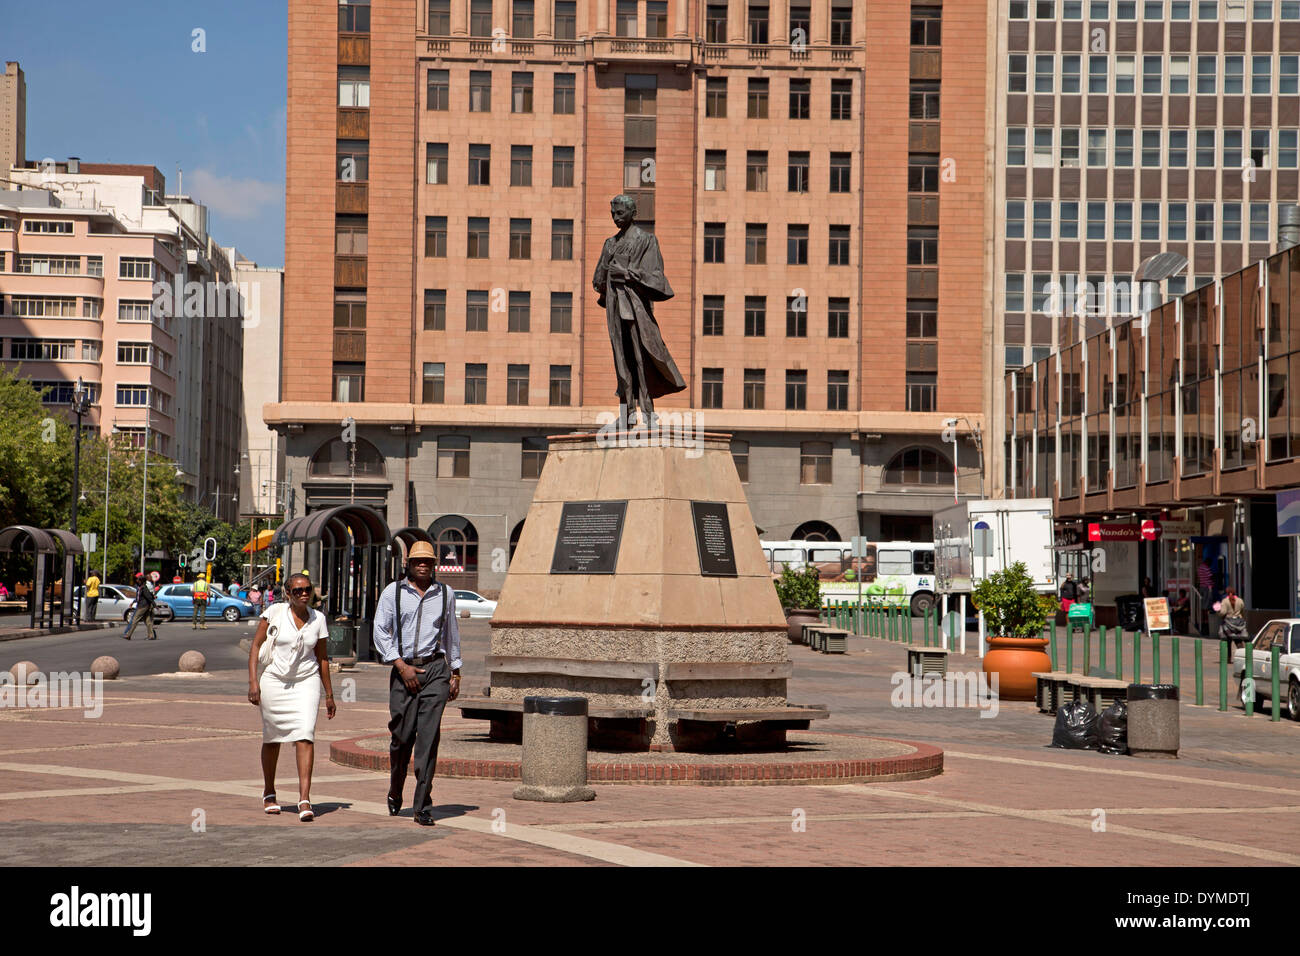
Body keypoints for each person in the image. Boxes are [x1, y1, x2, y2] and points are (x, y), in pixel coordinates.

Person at [372, 540, 461, 826]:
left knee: (428, 737)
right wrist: (400, 665)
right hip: (403, 670)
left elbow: (450, 633)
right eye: (417, 561)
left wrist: (455, 671)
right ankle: (395, 787)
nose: (423, 565)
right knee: (402, 737)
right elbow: (380, 632)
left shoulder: (445, 593)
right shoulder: (393, 593)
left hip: (435, 669)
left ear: (435, 565)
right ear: (407, 564)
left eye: (428, 561)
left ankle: (422, 804)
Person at [592, 193, 686, 428]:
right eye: (612, 213)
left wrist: (630, 274)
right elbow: (598, 281)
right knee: (621, 360)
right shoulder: (610, 244)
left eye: (620, 213)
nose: (615, 217)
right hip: (614, 307)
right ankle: (626, 414)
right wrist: (606, 271)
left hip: (635, 307)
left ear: (633, 214)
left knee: (641, 357)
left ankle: (648, 413)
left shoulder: (646, 240)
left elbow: (657, 277)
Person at [248, 573, 334, 822]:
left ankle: (304, 798)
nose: (304, 594)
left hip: (306, 682)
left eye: (307, 589)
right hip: (274, 681)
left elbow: (323, 658)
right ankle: (269, 792)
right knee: (272, 737)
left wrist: (329, 694)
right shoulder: (274, 613)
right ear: (288, 594)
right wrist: (254, 682)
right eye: (297, 590)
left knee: (305, 735)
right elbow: (255, 646)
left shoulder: (319, 619)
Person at [122, 572, 158, 641]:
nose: (137, 581)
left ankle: (128, 635)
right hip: (142, 605)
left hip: (143, 606)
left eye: (138, 580)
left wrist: (154, 605)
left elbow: (149, 597)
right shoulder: (141, 588)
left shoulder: (144, 588)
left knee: (135, 620)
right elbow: (139, 597)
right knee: (147, 621)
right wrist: (133, 602)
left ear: (141, 581)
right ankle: (151, 636)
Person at [1219, 585, 1249, 650]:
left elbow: (1223, 613)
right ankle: (1242, 656)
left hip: (1228, 625)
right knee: (1238, 642)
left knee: (1227, 643)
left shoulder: (1225, 601)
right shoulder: (1240, 600)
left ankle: (1228, 659)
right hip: (1238, 624)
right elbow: (1243, 611)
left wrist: (1219, 613)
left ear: (1227, 592)